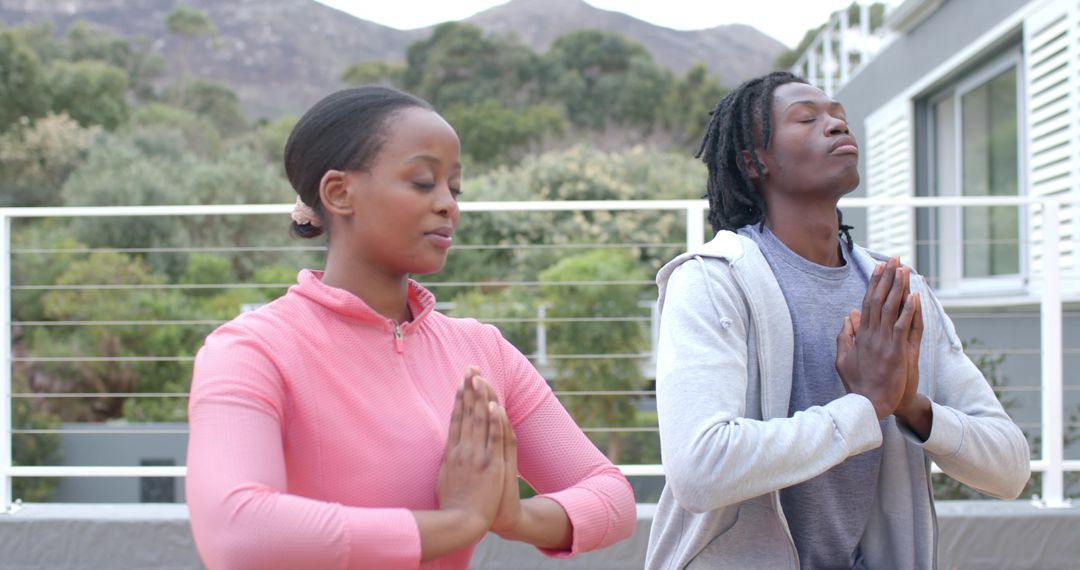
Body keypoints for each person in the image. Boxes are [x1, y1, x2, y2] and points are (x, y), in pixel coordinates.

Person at [185, 86, 636, 569]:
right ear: (339, 193)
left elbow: (612, 496)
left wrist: (515, 517)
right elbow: (237, 533)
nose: (448, 205)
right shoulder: (252, 350)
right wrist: (459, 524)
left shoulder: (483, 350)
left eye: (454, 188)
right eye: (423, 182)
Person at [644, 71, 1030, 569]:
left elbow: (1010, 468)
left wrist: (910, 404)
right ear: (753, 160)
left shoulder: (897, 291)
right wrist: (866, 406)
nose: (835, 126)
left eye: (839, 117)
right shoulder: (713, 281)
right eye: (806, 119)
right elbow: (701, 469)